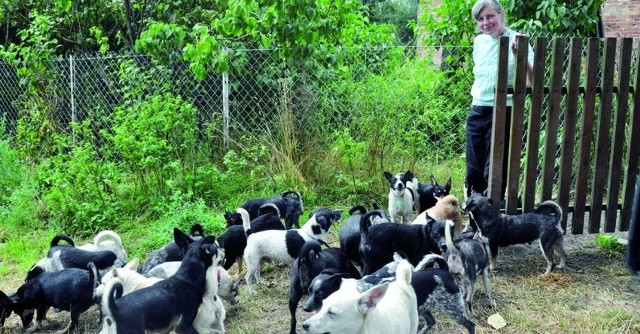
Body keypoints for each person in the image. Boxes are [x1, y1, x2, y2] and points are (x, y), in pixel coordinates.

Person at [465, 0, 534, 200]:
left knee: (495, 169)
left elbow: (534, 80)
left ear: (501, 14)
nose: (485, 22)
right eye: (480, 19)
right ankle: (475, 217)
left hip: (504, 110)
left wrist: (518, 55)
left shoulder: (518, 40)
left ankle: (493, 215)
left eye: (489, 16)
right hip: (477, 109)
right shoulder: (479, 42)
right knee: (473, 169)